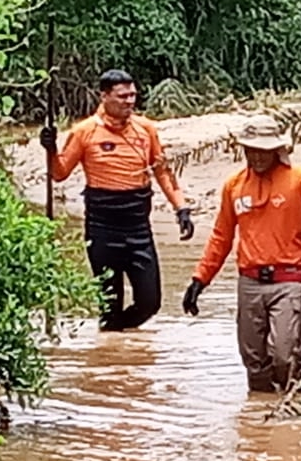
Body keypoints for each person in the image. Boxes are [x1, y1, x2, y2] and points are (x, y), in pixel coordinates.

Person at [181, 114, 301, 392]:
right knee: (253, 362)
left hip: (290, 279)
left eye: (264, 150)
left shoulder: (300, 177)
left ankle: (295, 382)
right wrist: (199, 279)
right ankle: (262, 421)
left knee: (283, 356)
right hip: (250, 281)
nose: (257, 156)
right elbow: (221, 236)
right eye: (251, 149)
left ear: (278, 149)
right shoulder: (234, 185)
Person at [40, 69, 194, 332]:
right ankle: (113, 344)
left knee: (150, 302)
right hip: (102, 227)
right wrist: (51, 149)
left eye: (133, 95)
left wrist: (181, 208)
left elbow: (162, 171)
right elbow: (59, 173)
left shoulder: (146, 130)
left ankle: (115, 332)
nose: (130, 101)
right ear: (104, 96)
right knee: (109, 303)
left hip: (137, 227)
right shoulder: (84, 131)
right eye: (122, 96)